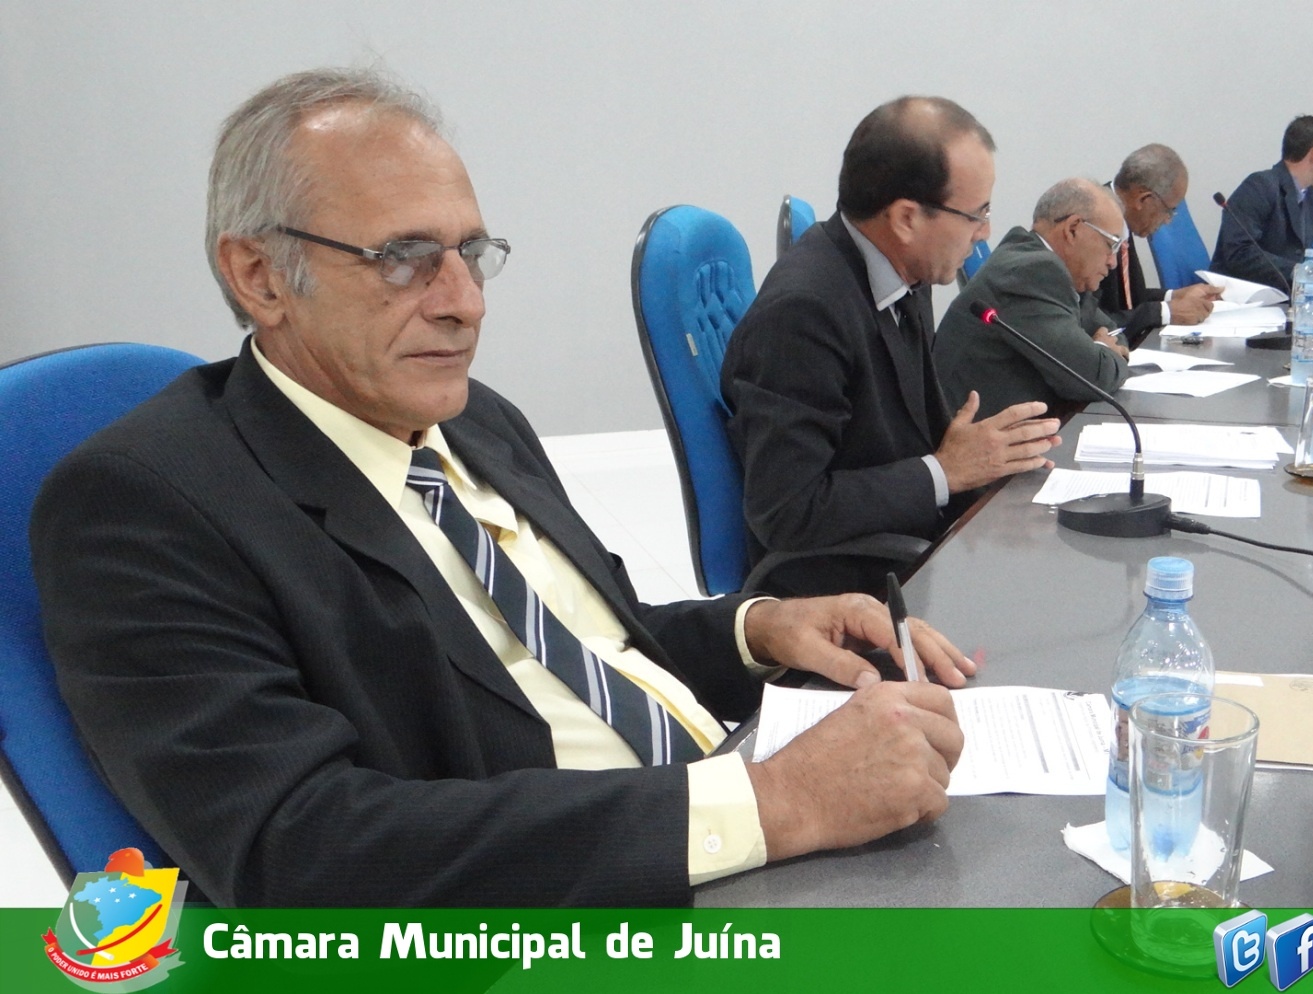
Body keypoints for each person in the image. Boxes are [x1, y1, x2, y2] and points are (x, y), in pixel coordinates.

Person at [29, 68, 977, 908]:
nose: (465, 302)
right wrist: (772, 802)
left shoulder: (475, 420)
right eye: (404, 258)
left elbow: (599, 645)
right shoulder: (141, 508)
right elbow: (297, 847)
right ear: (259, 276)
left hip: (720, 828)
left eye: (471, 255)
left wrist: (758, 631)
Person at [721, 97, 1061, 598]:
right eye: (977, 214)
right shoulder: (803, 313)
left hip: (907, 540)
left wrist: (989, 463)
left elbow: (916, 432)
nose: (986, 232)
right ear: (906, 218)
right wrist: (946, 472)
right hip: (845, 588)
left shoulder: (906, 273)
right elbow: (788, 511)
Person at [934, 179, 1136, 418]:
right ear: (1073, 229)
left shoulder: (1047, 266)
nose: (1113, 262)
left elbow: (1112, 330)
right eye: (1111, 245)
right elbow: (1094, 378)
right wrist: (1103, 349)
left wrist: (1102, 348)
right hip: (975, 432)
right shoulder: (1033, 272)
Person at [1094, 144, 1222, 327]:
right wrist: (1166, 313)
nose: (1168, 221)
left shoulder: (1120, 217)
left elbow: (1128, 299)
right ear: (1143, 200)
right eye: (1168, 211)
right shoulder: (1096, 227)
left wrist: (1175, 295)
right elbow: (1093, 321)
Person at [1211, 115, 1313, 291]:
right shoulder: (1259, 186)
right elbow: (1238, 252)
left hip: (1292, 294)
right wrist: (1296, 270)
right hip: (1243, 294)